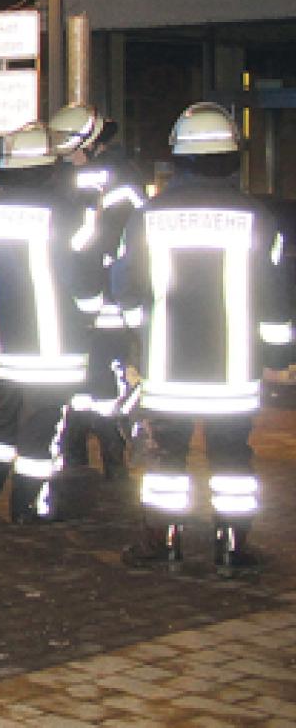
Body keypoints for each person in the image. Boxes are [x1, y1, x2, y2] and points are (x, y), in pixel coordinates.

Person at [114, 102, 292, 576]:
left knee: (167, 457)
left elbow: (124, 288)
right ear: (232, 157)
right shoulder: (258, 217)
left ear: (179, 157)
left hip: (167, 369)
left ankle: (164, 542)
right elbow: (277, 296)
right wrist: (277, 352)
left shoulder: (148, 217)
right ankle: (232, 547)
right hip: (233, 372)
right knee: (232, 458)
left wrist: (142, 333)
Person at [0, 122, 105, 523]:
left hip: (8, 344)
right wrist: (91, 314)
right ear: (48, 167)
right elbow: (83, 278)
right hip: (55, 350)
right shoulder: (66, 213)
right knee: (42, 430)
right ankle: (28, 506)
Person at [48, 104, 146, 480]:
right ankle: (80, 454)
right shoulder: (80, 177)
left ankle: (113, 454)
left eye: (72, 152)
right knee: (81, 382)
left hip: (108, 303)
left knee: (104, 382)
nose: (68, 159)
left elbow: (115, 246)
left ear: (90, 143)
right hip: (84, 301)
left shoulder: (118, 183)